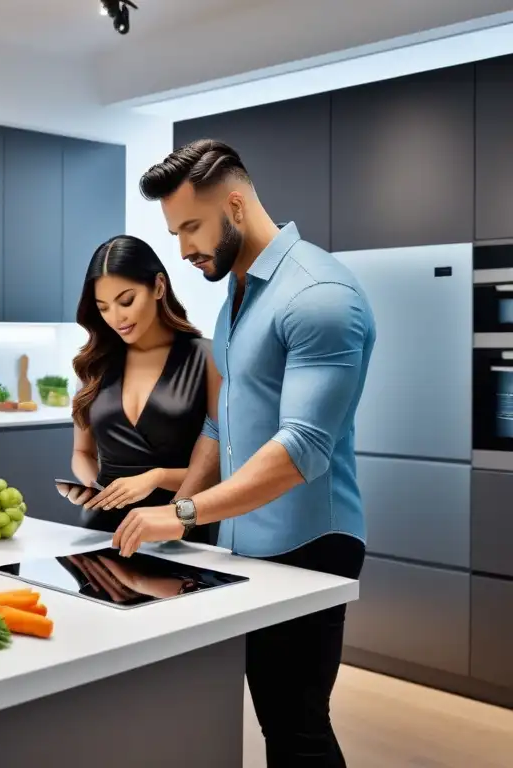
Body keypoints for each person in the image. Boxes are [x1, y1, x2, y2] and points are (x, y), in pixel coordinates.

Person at [113, 138, 376, 768]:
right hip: (247, 539)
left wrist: (182, 515)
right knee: (269, 717)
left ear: (235, 205)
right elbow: (219, 424)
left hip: (312, 543)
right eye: (175, 232)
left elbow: (302, 448)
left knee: (297, 726)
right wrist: (175, 516)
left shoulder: (319, 295)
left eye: (192, 228)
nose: (182, 250)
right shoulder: (238, 293)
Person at [65, 234, 221, 545]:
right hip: (101, 530)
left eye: (126, 301)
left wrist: (158, 477)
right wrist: (92, 488)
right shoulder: (94, 366)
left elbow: (221, 466)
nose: (116, 318)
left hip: (177, 526)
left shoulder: (208, 358)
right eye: (103, 307)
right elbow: (82, 453)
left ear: (159, 287)